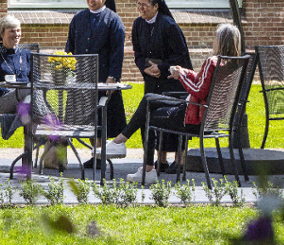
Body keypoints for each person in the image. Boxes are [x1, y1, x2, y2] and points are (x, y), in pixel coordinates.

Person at [103, 23, 242, 184]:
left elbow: (199, 91)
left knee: (147, 113)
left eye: (215, 38)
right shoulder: (233, 64)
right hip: (212, 120)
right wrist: (185, 72)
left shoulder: (213, 62)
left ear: (221, 41)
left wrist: (180, 76)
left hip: (194, 119)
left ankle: (141, 163)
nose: (213, 41)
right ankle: (121, 142)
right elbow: (203, 83)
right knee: (149, 99)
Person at [130, 0, 193, 172]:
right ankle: (160, 160)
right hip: (152, 79)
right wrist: (146, 68)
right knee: (152, 119)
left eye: (145, 5)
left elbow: (181, 56)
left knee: (172, 118)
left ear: (156, 6)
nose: (141, 9)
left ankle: (180, 161)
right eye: (139, 5)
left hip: (172, 81)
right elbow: (138, 54)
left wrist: (162, 67)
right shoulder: (137, 25)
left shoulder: (168, 26)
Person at [66, 0, 126, 168]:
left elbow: (118, 52)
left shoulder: (113, 20)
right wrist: (67, 68)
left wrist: (112, 77)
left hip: (103, 78)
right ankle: (95, 155)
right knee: (86, 118)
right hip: (82, 78)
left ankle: (100, 157)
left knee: (101, 118)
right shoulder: (78, 19)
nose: (91, 0)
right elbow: (70, 48)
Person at [0, 15, 32, 139]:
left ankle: (11, 127)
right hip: (2, 102)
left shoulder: (27, 55)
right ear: (1, 33)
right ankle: (55, 126)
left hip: (26, 101)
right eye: (12, 31)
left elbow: (35, 81)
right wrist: (13, 90)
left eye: (18, 30)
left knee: (30, 98)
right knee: (28, 90)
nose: (16, 34)